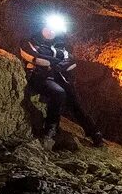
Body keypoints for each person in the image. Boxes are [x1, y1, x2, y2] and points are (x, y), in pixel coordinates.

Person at [19, 14, 104, 149]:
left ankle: (94, 133)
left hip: (59, 77)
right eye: (49, 28)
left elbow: (71, 62)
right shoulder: (32, 41)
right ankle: (50, 130)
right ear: (43, 27)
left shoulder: (60, 45)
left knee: (74, 100)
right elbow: (33, 57)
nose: (51, 31)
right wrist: (55, 63)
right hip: (39, 76)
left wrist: (51, 63)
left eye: (54, 29)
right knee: (59, 93)